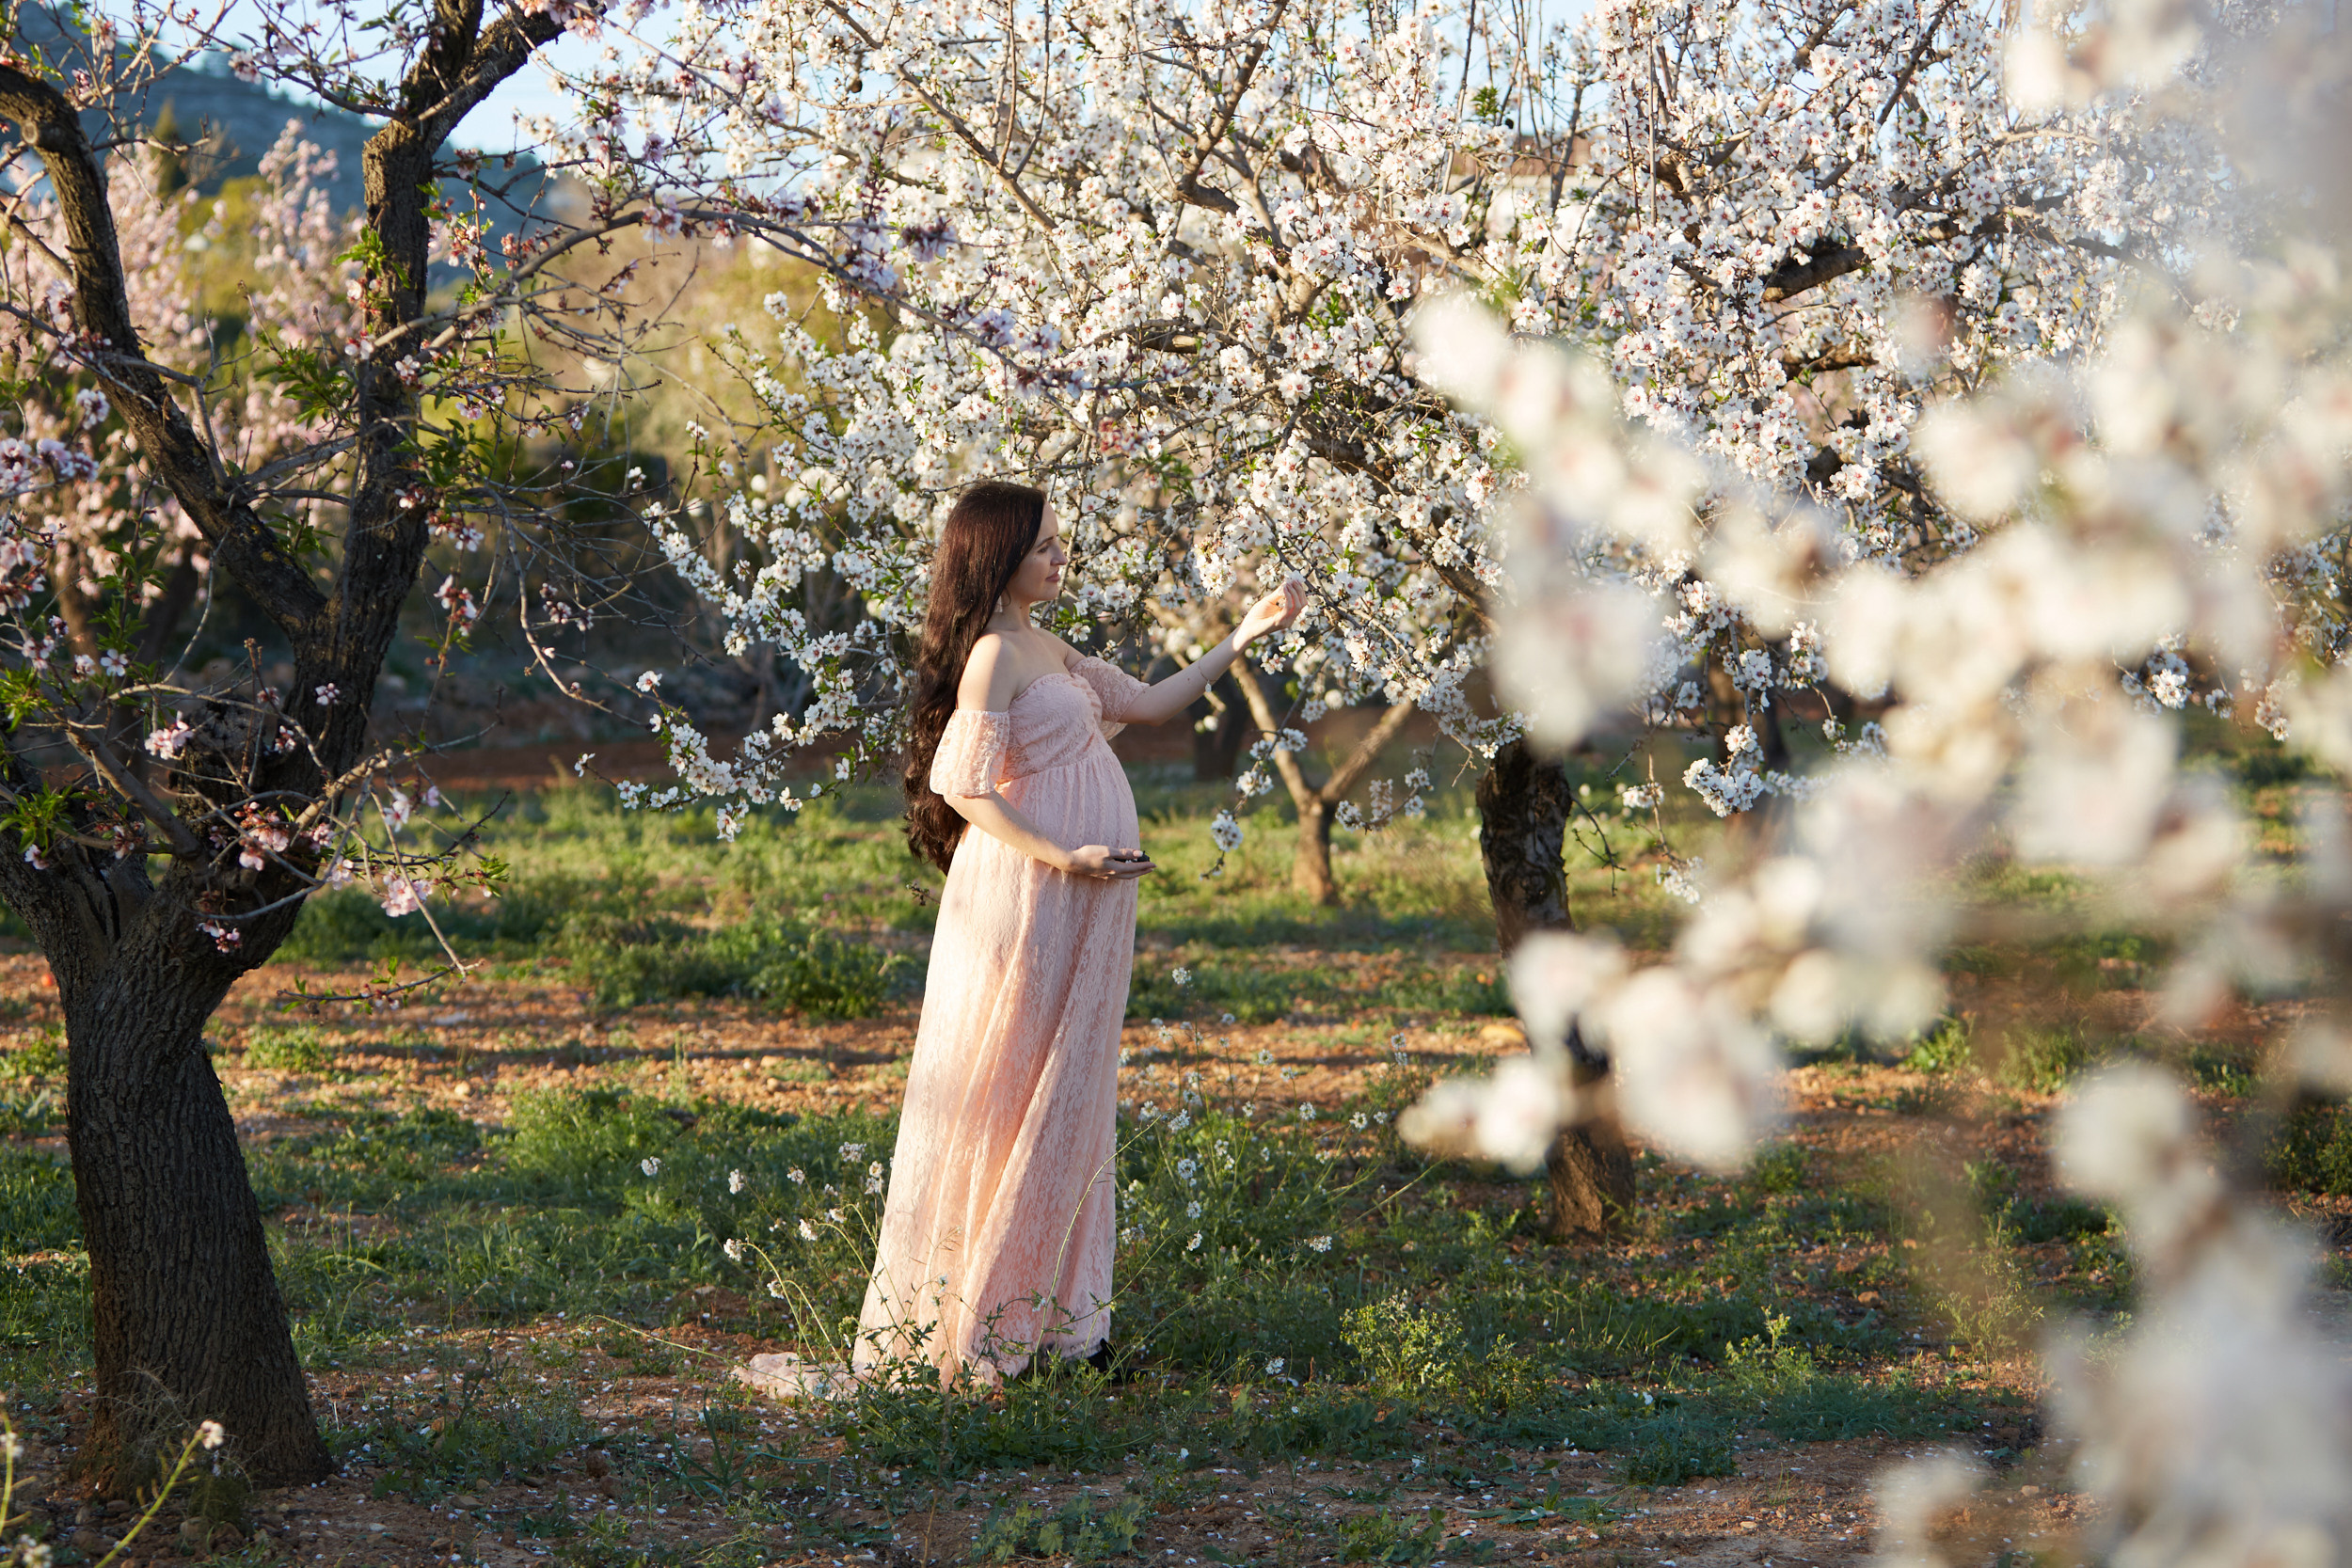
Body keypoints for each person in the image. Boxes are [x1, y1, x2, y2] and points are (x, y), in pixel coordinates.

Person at [857, 479, 1303, 1383]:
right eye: (1046, 545)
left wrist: (1243, 637)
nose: (1062, 557)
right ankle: (993, 1329)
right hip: (1033, 892)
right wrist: (1066, 855)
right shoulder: (992, 656)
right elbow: (962, 784)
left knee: (1074, 1093)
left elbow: (1146, 703)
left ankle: (1066, 1329)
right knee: (1019, 1084)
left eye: (1062, 542)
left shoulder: (1046, 646)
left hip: (1089, 892)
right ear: (999, 556)